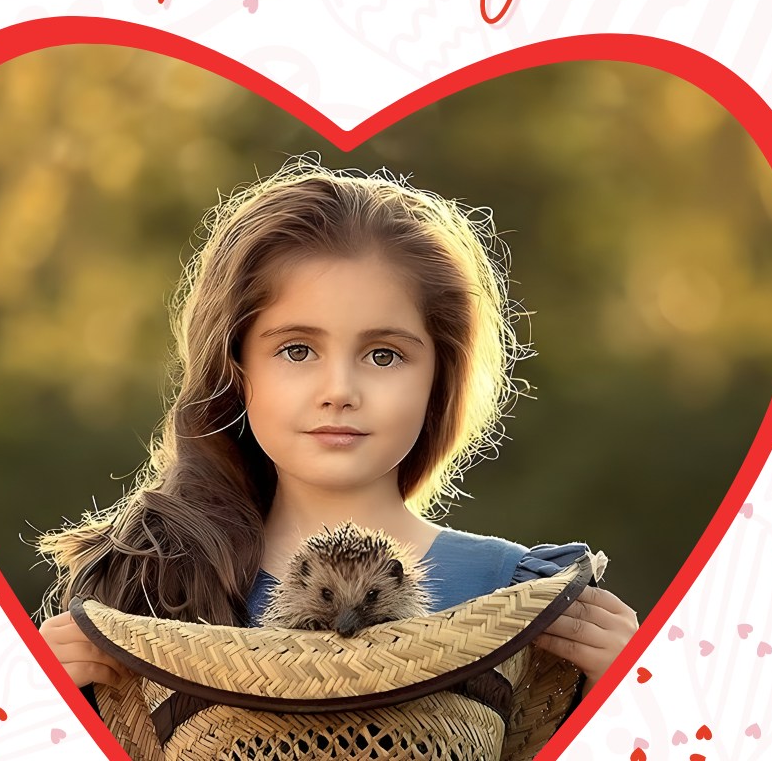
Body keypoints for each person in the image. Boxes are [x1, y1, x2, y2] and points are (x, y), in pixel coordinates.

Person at [36, 156, 638, 728]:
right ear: (236, 369)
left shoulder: (525, 598)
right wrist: (28, 711)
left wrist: (644, 702)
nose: (339, 390)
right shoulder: (146, 590)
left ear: (439, 377)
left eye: (384, 355)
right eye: (296, 350)